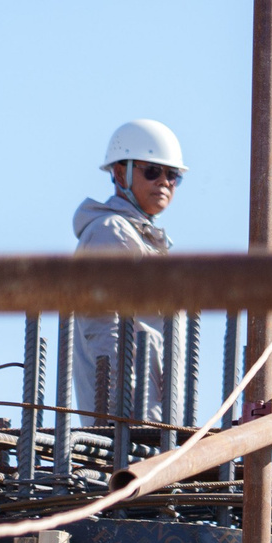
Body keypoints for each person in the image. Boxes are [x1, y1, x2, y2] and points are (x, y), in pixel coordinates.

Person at [72, 119, 188, 427]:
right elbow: (105, 332)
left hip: (151, 415)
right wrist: (125, 417)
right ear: (120, 173)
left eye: (172, 175)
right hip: (129, 417)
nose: (164, 182)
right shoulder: (110, 232)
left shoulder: (141, 238)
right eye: (152, 171)